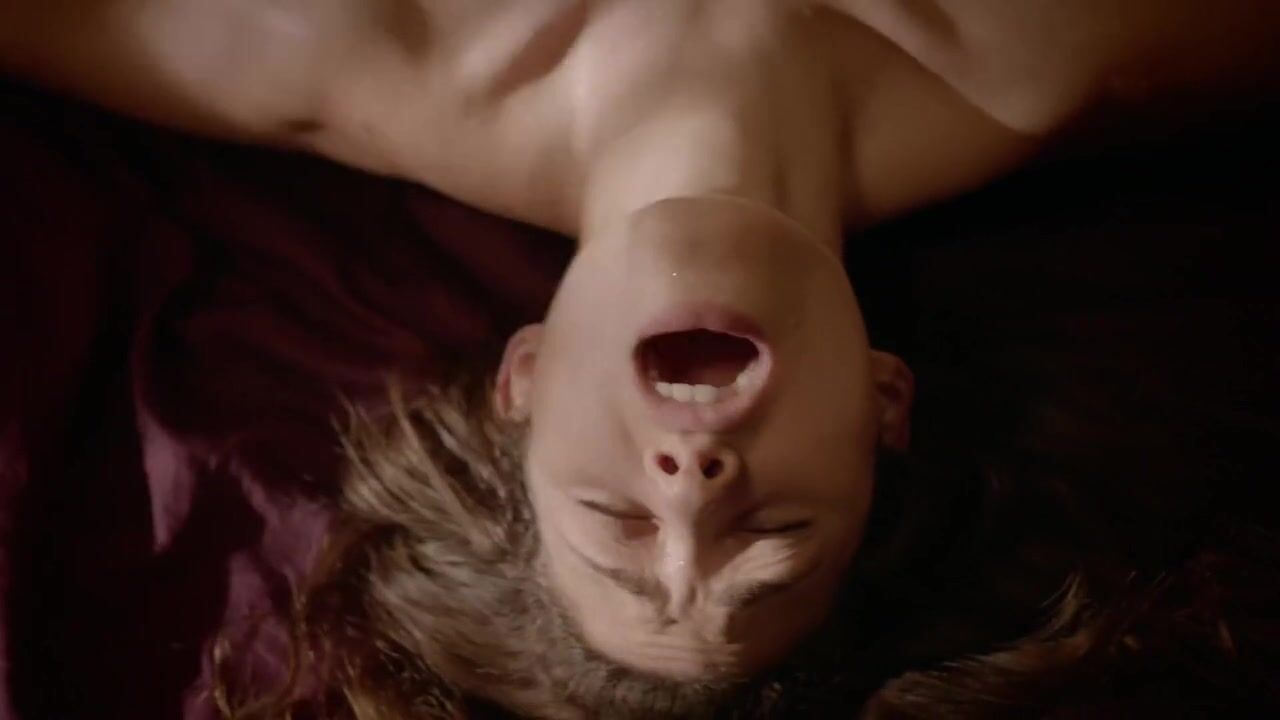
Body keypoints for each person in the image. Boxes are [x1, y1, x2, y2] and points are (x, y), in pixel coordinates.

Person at [4, 2, 1279, 717]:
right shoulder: (1103, 46)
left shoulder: (319, 43)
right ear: (883, 404)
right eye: (772, 532)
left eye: (616, 520)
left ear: (523, 382)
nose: (692, 485)